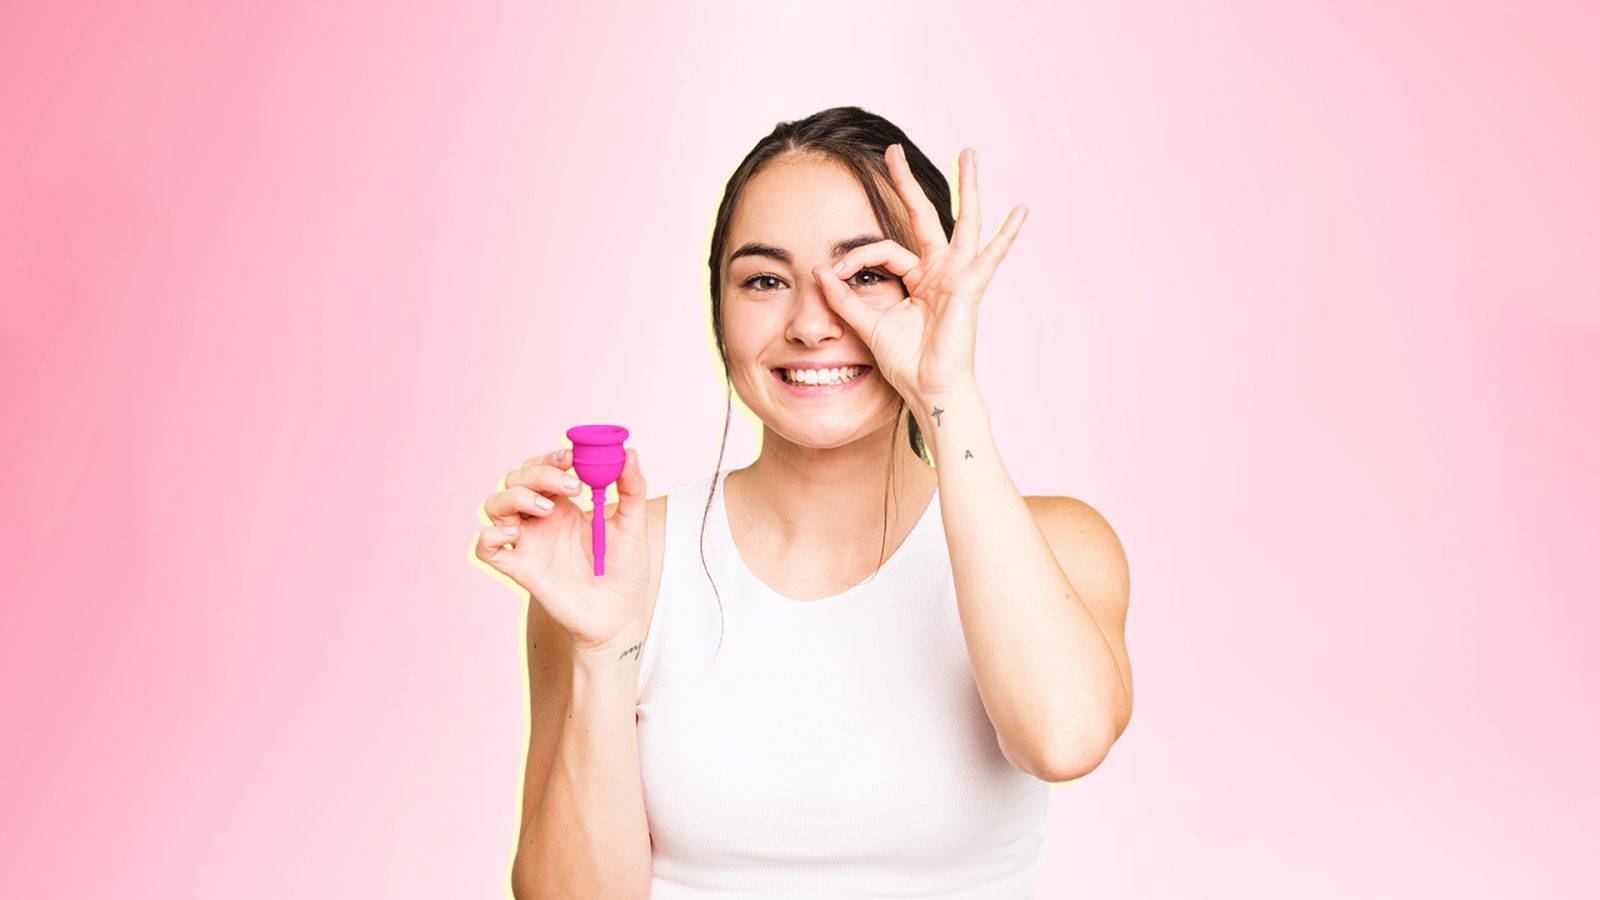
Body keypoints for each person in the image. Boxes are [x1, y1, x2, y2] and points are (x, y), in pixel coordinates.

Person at [474, 106, 1134, 900]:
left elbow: (1063, 741)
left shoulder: (1059, 544)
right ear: (720, 309)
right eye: (764, 280)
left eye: (865, 277)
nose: (812, 324)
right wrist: (600, 646)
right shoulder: (618, 567)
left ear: (934, 294)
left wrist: (945, 391)